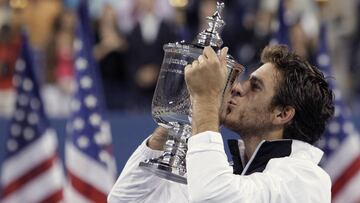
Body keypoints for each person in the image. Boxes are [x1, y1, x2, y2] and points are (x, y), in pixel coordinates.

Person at [108, 45, 334, 202]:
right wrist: (172, 125)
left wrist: (206, 99)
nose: (236, 88)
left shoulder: (306, 180)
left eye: (255, 87)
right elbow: (126, 199)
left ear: (282, 114)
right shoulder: (229, 173)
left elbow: (211, 195)